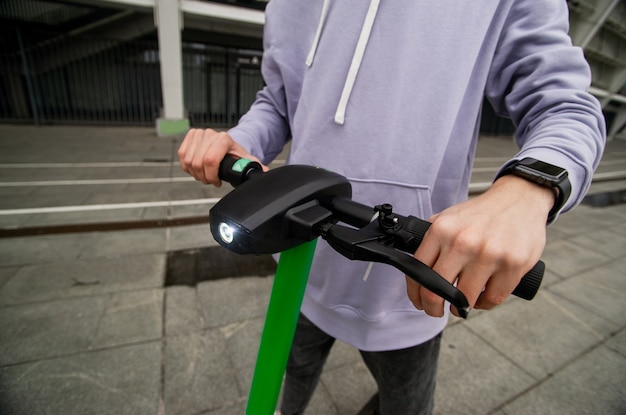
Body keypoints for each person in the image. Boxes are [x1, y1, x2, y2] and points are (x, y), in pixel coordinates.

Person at [178, 1, 606, 414]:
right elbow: (279, 101)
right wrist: (243, 140)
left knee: (407, 403)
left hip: (408, 274)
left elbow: (564, 103)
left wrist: (529, 187)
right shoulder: (286, 4)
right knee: (291, 377)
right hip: (301, 260)